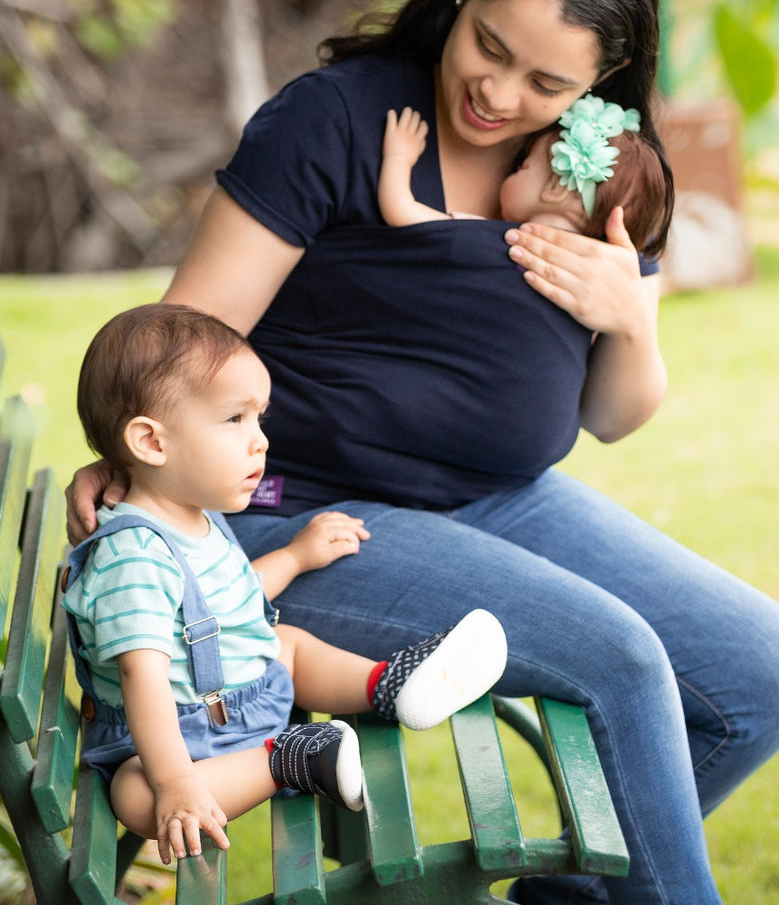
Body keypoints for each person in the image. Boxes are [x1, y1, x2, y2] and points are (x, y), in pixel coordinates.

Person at [66, 0, 779, 905]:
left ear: (597, 81)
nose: (497, 92)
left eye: (545, 81)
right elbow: (185, 339)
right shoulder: (338, 120)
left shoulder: (601, 168)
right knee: (620, 659)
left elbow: (614, 414)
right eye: (487, 46)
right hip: (300, 517)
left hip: (499, 500)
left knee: (765, 673)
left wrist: (629, 319)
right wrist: (127, 454)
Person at [63, 302, 508, 865]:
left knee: (289, 644)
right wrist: (175, 781)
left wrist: (295, 557)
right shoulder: (132, 557)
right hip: (173, 739)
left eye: (259, 419)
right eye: (234, 420)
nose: (260, 441)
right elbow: (140, 675)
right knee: (134, 794)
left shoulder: (192, 515)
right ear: (152, 443)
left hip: (238, 691)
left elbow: (228, 603)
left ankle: (388, 684)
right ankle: (288, 758)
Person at [378, 97, 669, 250]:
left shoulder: (508, 242)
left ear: (554, 188)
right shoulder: (594, 282)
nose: (512, 173)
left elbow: (401, 212)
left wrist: (399, 156)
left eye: (523, 167)